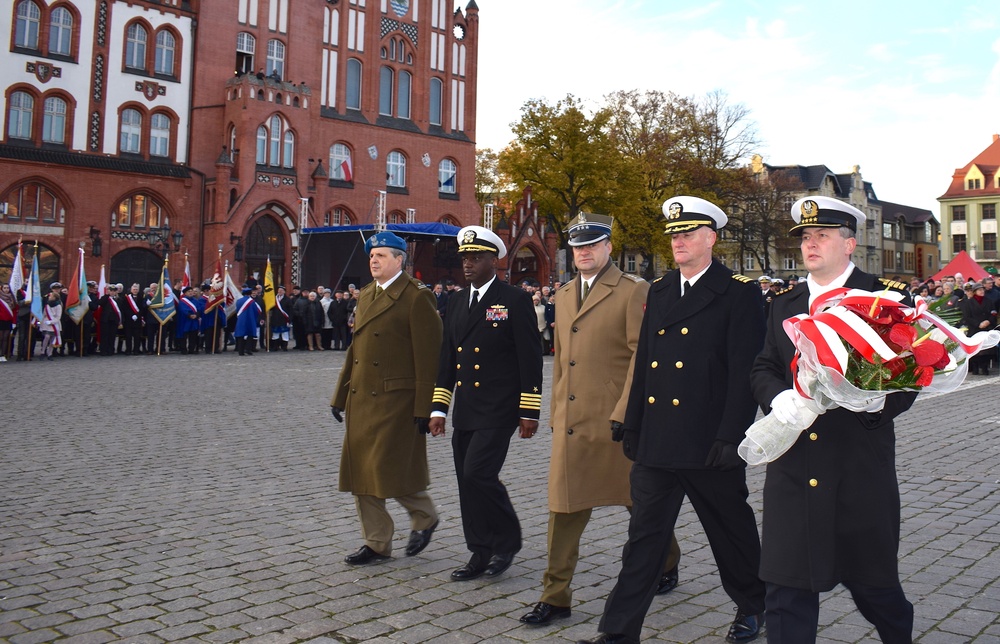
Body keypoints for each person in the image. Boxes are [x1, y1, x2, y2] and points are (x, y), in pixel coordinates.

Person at [580, 196, 766, 644]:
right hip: (660, 442)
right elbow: (645, 363)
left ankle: (754, 605)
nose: (678, 241)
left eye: (687, 234)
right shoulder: (660, 290)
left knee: (731, 533)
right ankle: (618, 631)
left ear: (711, 239)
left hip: (710, 442)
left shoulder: (739, 292)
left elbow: (745, 372)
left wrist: (732, 436)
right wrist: (634, 422)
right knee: (643, 539)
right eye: (674, 235)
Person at [749, 196, 916, 644]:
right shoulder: (786, 302)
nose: (810, 243)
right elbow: (763, 366)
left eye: (822, 234)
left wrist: (871, 403)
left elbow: (910, 377)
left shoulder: (883, 298)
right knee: (785, 590)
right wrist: (777, 397)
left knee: (875, 590)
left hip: (856, 466)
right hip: (794, 466)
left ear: (850, 243)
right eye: (805, 236)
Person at [520, 213, 680, 628]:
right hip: (573, 423)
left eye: (592, 244)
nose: (584, 252)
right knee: (563, 508)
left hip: (616, 422)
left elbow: (641, 359)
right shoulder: (566, 291)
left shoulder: (632, 290)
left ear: (609, 246)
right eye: (577, 247)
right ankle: (555, 595)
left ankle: (666, 560)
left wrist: (626, 412)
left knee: (638, 503)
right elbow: (559, 360)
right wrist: (557, 410)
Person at [429, 226, 543, 582]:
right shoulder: (458, 301)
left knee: (479, 472)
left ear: (494, 260)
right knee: (466, 480)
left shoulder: (514, 299)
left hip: (500, 407)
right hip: (467, 408)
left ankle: (506, 541)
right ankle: (479, 550)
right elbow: (448, 358)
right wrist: (438, 408)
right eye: (465, 258)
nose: (468, 264)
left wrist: (529, 410)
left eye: (476, 258)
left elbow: (530, 358)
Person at [330, 231, 443, 564]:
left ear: (399, 260)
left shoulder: (416, 296)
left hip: (397, 399)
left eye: (381, 255)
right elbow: (356, 351)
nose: (374, 260)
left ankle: (425, 516)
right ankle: (376, 542)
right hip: (362, 396)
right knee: (361, 472)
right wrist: (339, 395)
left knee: (388, 466)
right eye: (371, 256)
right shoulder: (366, 295)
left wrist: (427, 406)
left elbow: (429, 355)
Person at [960, 282, 996, 375]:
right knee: (976, 350)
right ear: (975, 291)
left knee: (986, 350)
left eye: (982, 289)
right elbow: (967, 317)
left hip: (986, 328)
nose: (982, 291)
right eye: (979, 290)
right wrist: (978, 324)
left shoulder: (989, 301)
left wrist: (988, 321)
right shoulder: (969, 303)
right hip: (975, 329)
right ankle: (975, 367)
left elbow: (993, 313)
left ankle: (985, 367)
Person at [39, 283, 64, 361]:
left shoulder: (58, 305)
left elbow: (58, 316)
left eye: (51, 296)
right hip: (46, 324)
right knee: (46, 337)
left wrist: (52, 322)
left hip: (55, 324)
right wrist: (40, 323)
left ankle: (50, 353)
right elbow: (43, 314)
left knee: (53, 339)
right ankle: (43, 351)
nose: (49, 297)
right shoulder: (47, 304)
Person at [234, 286, 261, 356]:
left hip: (241, 320)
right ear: (250, 293)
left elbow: (237, 311)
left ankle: (240, 351)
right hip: (250, 319)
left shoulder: (239, 301)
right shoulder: (252, 302)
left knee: (240, 335)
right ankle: (248, 350)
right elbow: (257, 311)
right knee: (250, 335)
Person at [98, 285, 122, 356]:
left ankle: (111, 350)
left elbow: (120, 310)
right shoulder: (105, 298)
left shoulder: (118, 299)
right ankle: (103, 350)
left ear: (116, 292)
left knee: (112, 336)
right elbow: (100, 303)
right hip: (106, 320)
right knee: (105, 336)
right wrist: (106, 295)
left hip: (114, 320)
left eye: (114, 291)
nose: (112, 292)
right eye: (111, 291)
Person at [122, 283, 145, 355]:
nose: (135, 290)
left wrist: (137, 315)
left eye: (136, 289)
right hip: (128, 320)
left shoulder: (141, 298)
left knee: (137, 336)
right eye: (134, 289)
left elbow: (142, 308)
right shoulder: (127, 298)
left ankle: (136, 350)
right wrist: (131, 315)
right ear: (131, 290)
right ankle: (128, 350)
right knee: (128, 336)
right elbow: (125, 308)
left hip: (137, 320)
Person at [269, 285, 292, 351]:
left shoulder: (288, 300)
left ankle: (284, 347)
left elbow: (290, 310)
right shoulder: (274, 299)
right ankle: (275, 347)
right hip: (275, 319)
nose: (280, 292)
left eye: (281, 290)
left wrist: (290, 319)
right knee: (275, 334)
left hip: (284, 319)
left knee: (284, 334)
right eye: (279, 290)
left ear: (284, 292)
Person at [0, 284, 16, 362]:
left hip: (8, 320)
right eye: (5, 288)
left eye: (8, 288)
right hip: (1, 320)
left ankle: (3, 354)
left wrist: (14, 322)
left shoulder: (12, 298)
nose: (6, 289)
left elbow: (15, 310)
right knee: (1, 337)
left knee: (6, 338)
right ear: (2, 289)